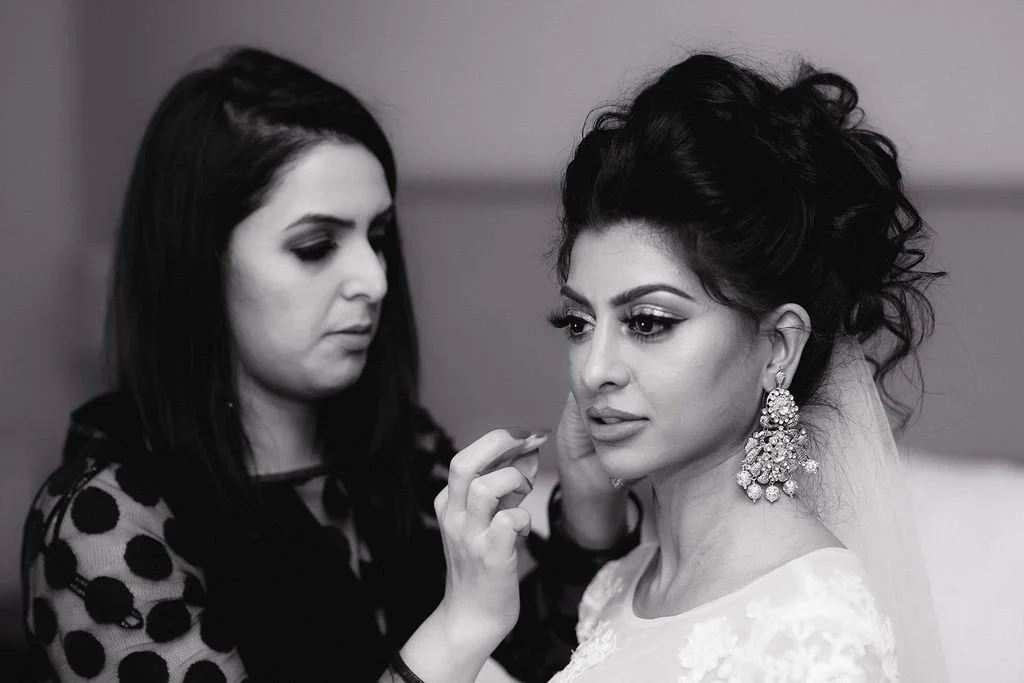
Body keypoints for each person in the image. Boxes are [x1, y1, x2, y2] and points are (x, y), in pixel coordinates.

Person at [21, 47, 641, 683]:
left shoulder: (399, 452)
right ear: (199, 264)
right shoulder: (106, 524)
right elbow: (473, 635)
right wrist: (460, 627)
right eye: (316, 246)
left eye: (378, 238)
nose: (374, 280)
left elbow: (554, 665)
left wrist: (591, 511)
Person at [543, 53, 948, 681]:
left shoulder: (812, 632)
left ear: (779, 347)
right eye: (578, 323)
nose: (594, 370)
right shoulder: (617, 589)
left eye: (648, 322)